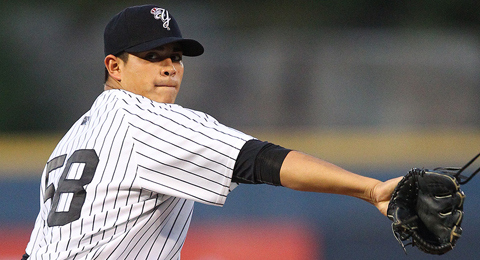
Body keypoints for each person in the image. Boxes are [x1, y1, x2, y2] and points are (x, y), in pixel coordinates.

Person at [23, 4, 402, 260]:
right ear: (114, 66)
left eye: (176, 56)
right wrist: (370, 189)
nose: (169, 67)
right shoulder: (145, 121)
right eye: (152, 56)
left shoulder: (74, 136)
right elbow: (260, 160)